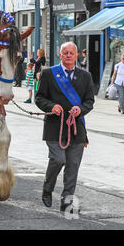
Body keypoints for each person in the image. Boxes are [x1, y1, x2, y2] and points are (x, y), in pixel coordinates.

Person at [35, 41, 95, 214]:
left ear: (77, 55)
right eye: (65, 52)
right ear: (60, 55)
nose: (68, 55)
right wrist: (51, 106)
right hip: (55, 126)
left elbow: (89, 101)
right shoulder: (48, 74)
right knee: (58, 159)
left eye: (71, 53)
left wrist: (81, 109)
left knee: (72, 166)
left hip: (76, 128)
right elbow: (39, 98)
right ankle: (47, 189)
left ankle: (67, 201)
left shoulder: (85, 76)